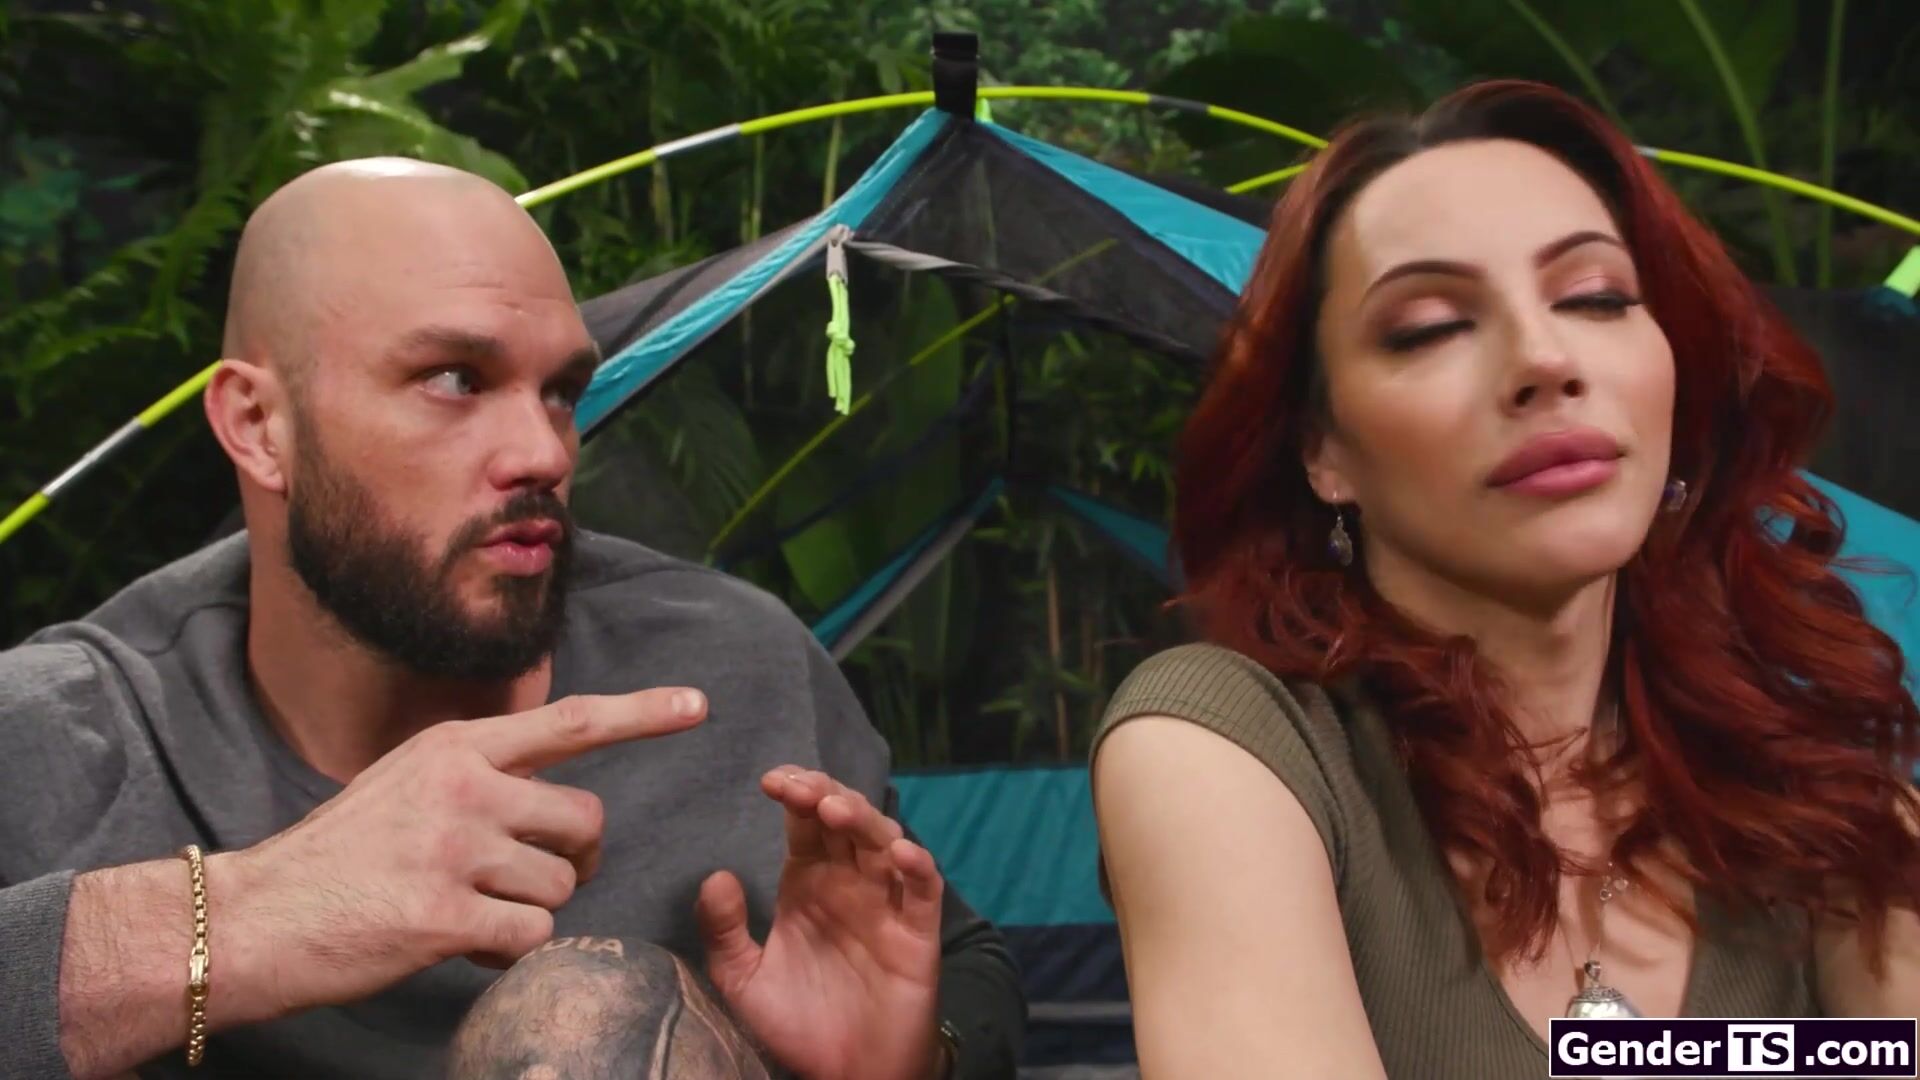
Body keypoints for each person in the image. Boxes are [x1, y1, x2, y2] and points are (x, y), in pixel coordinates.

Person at [0, 158, 1025, 1080]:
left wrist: (918, 1062)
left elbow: (956, 961)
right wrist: (251, 913)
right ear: (260, 425)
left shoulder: (734, 666)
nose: (544, 452)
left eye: (562, 392)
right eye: (456, 379)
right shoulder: (63, 740)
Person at [1091, 79, 1920, 1078]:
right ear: (1324, 451)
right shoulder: (1226, 749)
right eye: (1430, 325)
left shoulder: (1819, 796)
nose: (1544, 358)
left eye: (1597, 297)